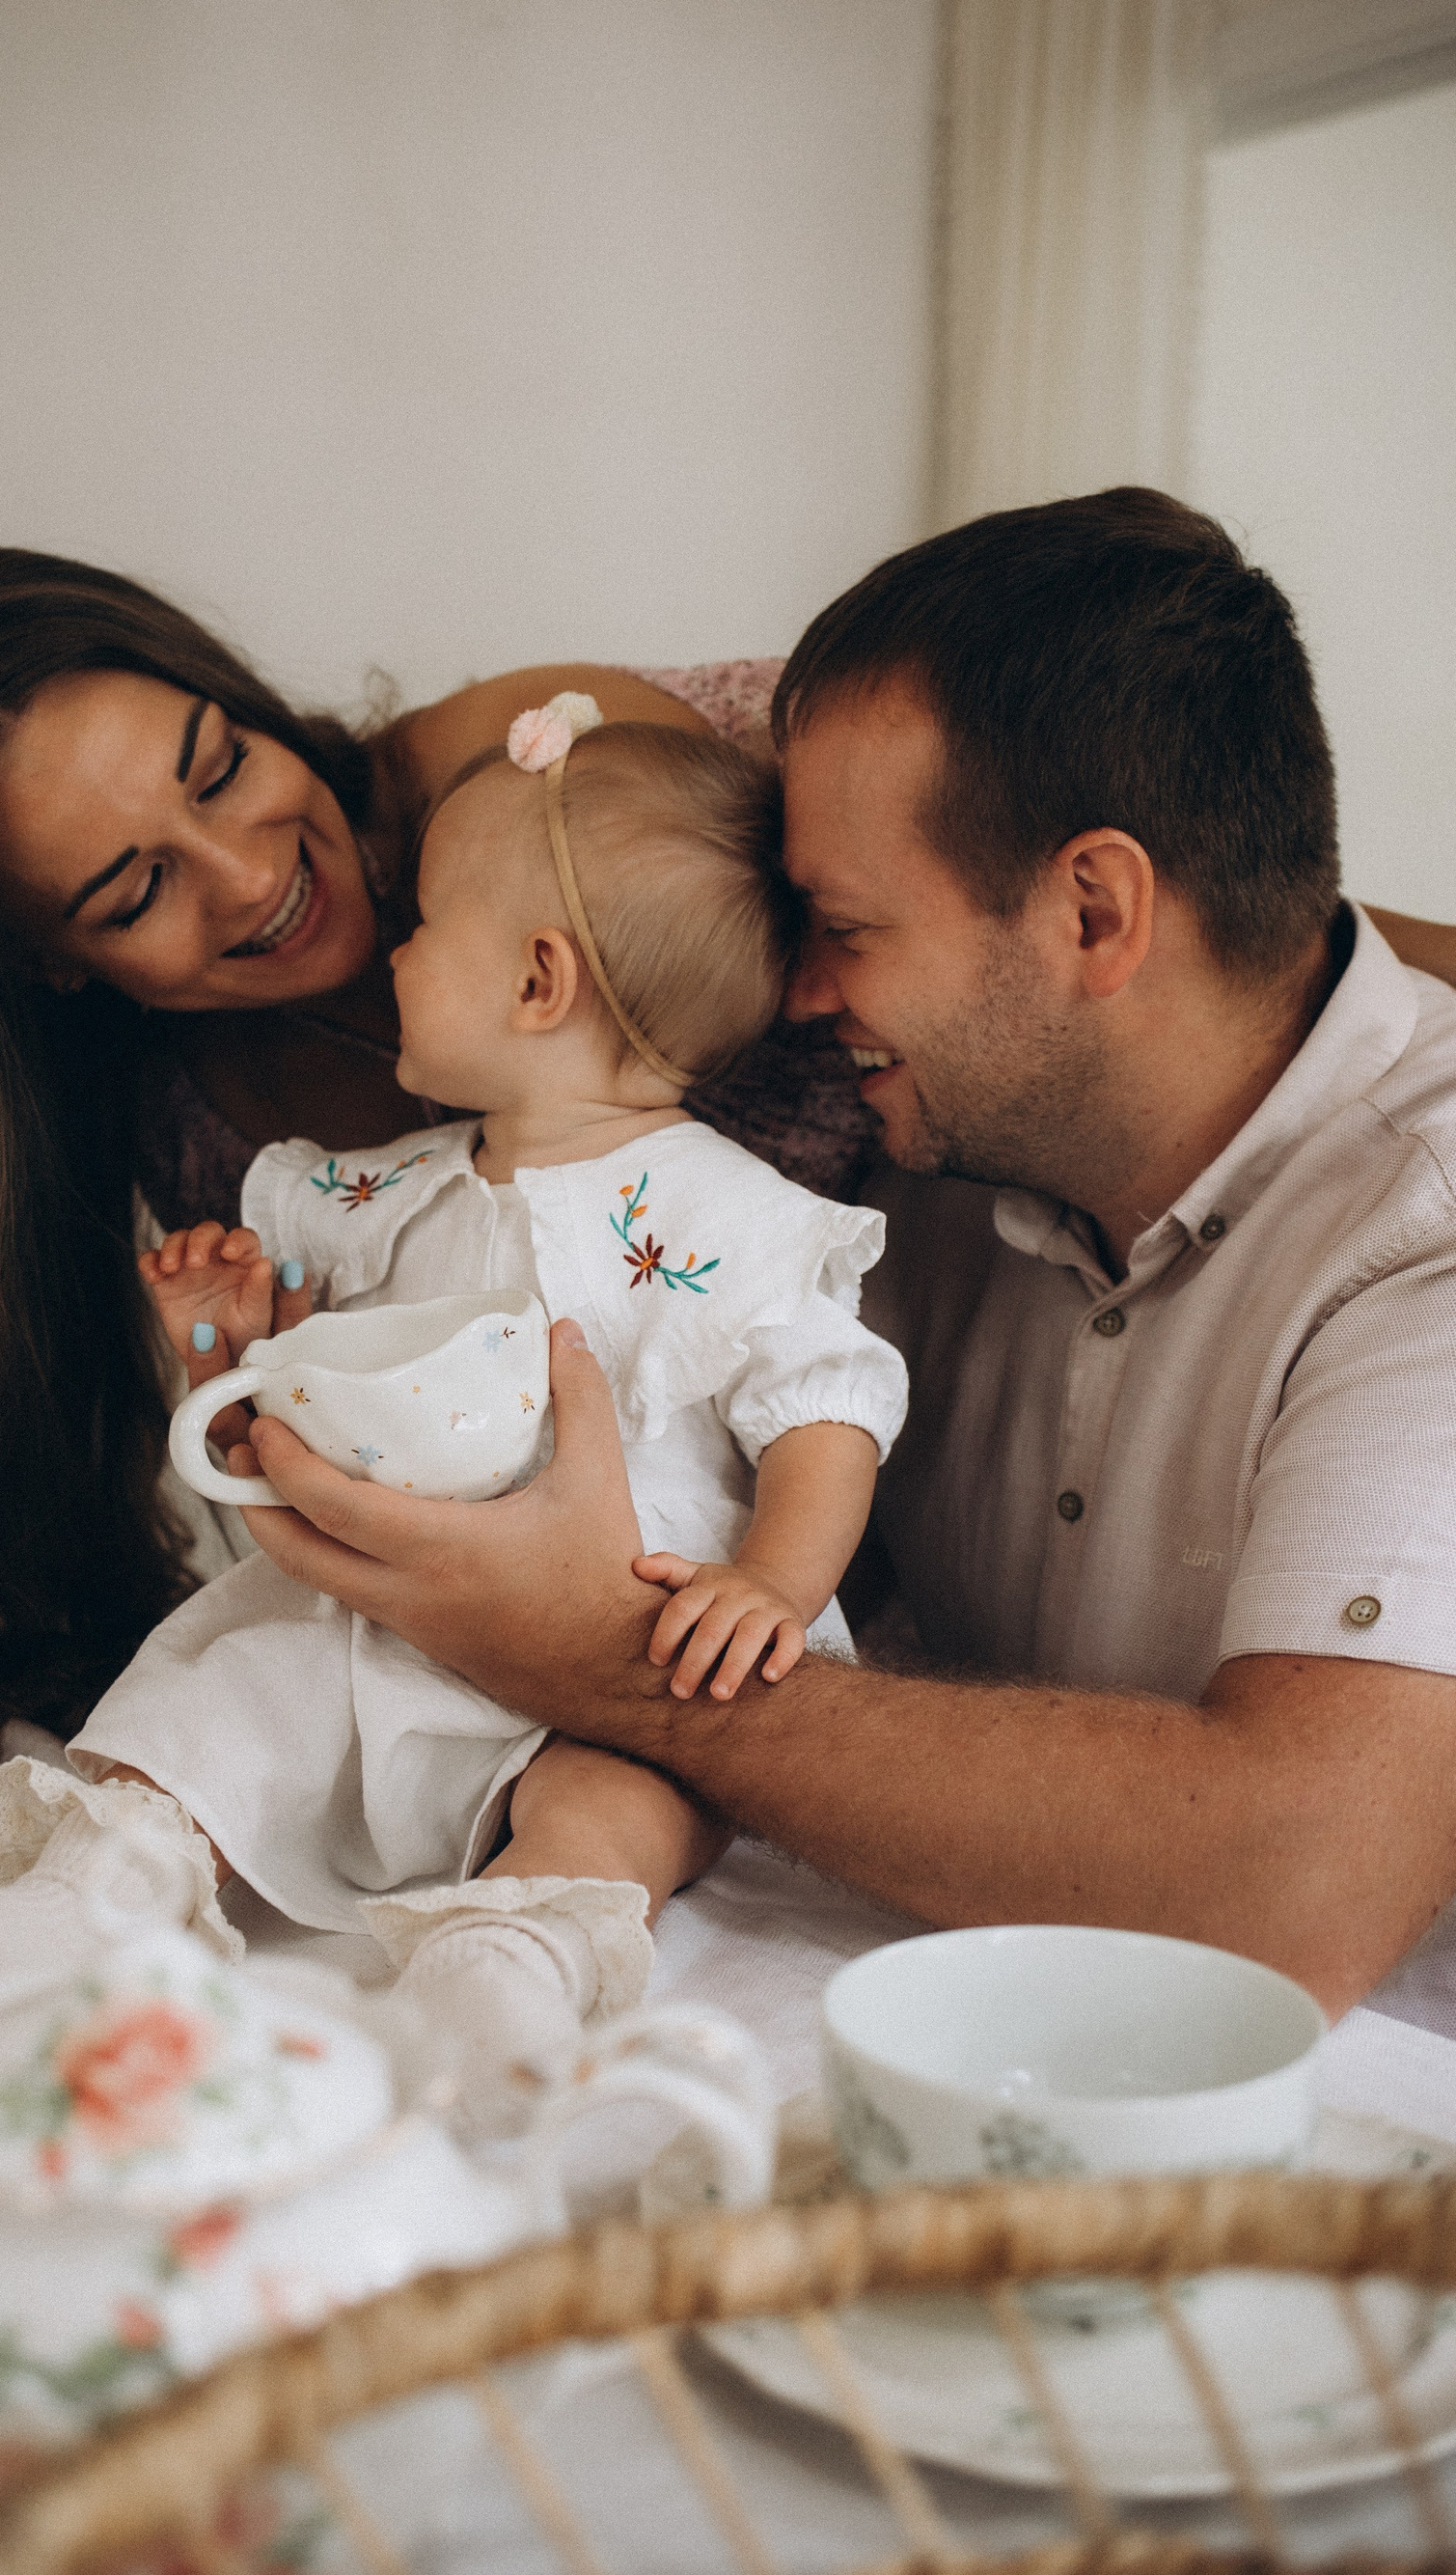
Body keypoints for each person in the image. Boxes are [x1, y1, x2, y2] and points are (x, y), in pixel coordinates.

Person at [206, 490, 1456, 2022]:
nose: (796, 999)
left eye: (843, 926)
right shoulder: (909, 1156)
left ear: (1094, 912)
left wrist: (602, 1658)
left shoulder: (1424, 1234)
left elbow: (1290, 1884)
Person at [0, 702, 906, 2119]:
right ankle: (96, 1891)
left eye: (428, 926)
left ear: (537, 981)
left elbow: (826, 1408)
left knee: (631, 1797)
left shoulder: (730, 1213)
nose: (393, 951)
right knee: (222, 1686)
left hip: (629, 1630)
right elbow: (310, 1397)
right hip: (381, 1628)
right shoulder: (385, 1190)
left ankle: (512, 1954)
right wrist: (237, 1348)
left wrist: (771, 1582)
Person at [0, 550, 868, 1770]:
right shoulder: (198, 1130)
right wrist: (261, 1401)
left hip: (803, 1571)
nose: (251, 875)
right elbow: (424, 1452)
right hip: (553, 1670)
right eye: (136, 894)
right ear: (44, 963)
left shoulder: (540, 787)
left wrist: (776, 1576)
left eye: (221, 769)